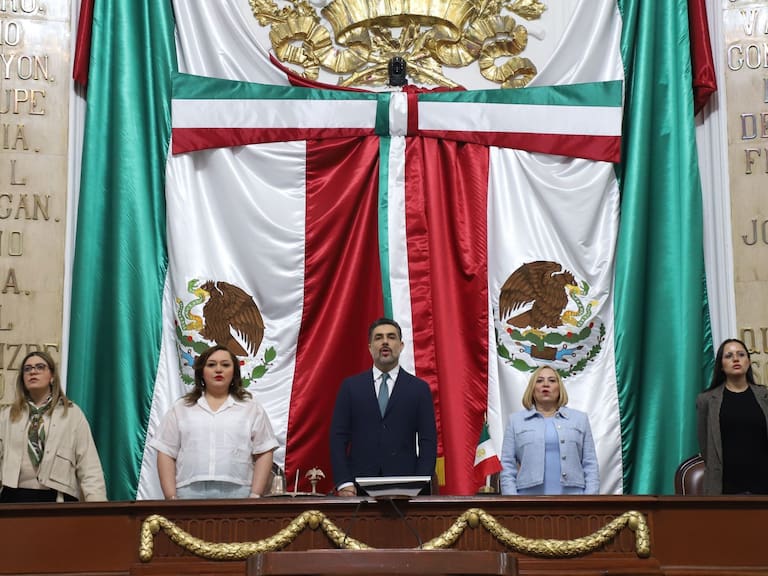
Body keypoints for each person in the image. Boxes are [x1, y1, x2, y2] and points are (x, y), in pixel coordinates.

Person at [151, 344, 278, 499]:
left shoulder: (251, 408)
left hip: (239, 491)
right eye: (211, 365)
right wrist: (171, 497)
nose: (218, 370)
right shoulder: (181, 408)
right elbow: (165, 451)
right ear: (201, 372)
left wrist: (255, 494)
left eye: (225, 365)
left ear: (234, 372)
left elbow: (265, 450)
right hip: (189, 492)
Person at [329, 318, 437, 496]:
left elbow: (428, 441)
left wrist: (420, 483)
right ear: (370, 347)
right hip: (357, 489)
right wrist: (344, 482)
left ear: (401, 345)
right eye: (379, 338)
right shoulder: (351, 387)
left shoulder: (419, 389)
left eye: (391, 337)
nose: (385, 342)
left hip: (407, 488)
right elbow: (338, 438)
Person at [0, 351, 106, 502]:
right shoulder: (8, 415)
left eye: (40, 367)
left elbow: (89, 466)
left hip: (57, 498)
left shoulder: (71, 414)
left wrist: (98, 506)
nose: (33, 371)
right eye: (27, 369)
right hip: (13, 498)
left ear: (52, 376)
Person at [500, 365, 599, 495]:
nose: (546, 384)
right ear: (532, 388)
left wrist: (589, 501)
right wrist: (512, 502)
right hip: (527, 502)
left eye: (552, 380)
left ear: (559, 388)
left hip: (575, 501)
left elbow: (590, 464)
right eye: (539, 381)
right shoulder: (515, 421)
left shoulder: (580, 419)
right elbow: (507, 465)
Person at [696, 338, 768, 495]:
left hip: (763, 486)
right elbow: (706, 446)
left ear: (748, 362)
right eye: (728, 356)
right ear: (721, 366)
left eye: (741, 354)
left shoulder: (765, 396)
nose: (736, 359)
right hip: (724, 488)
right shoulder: (706, 400)